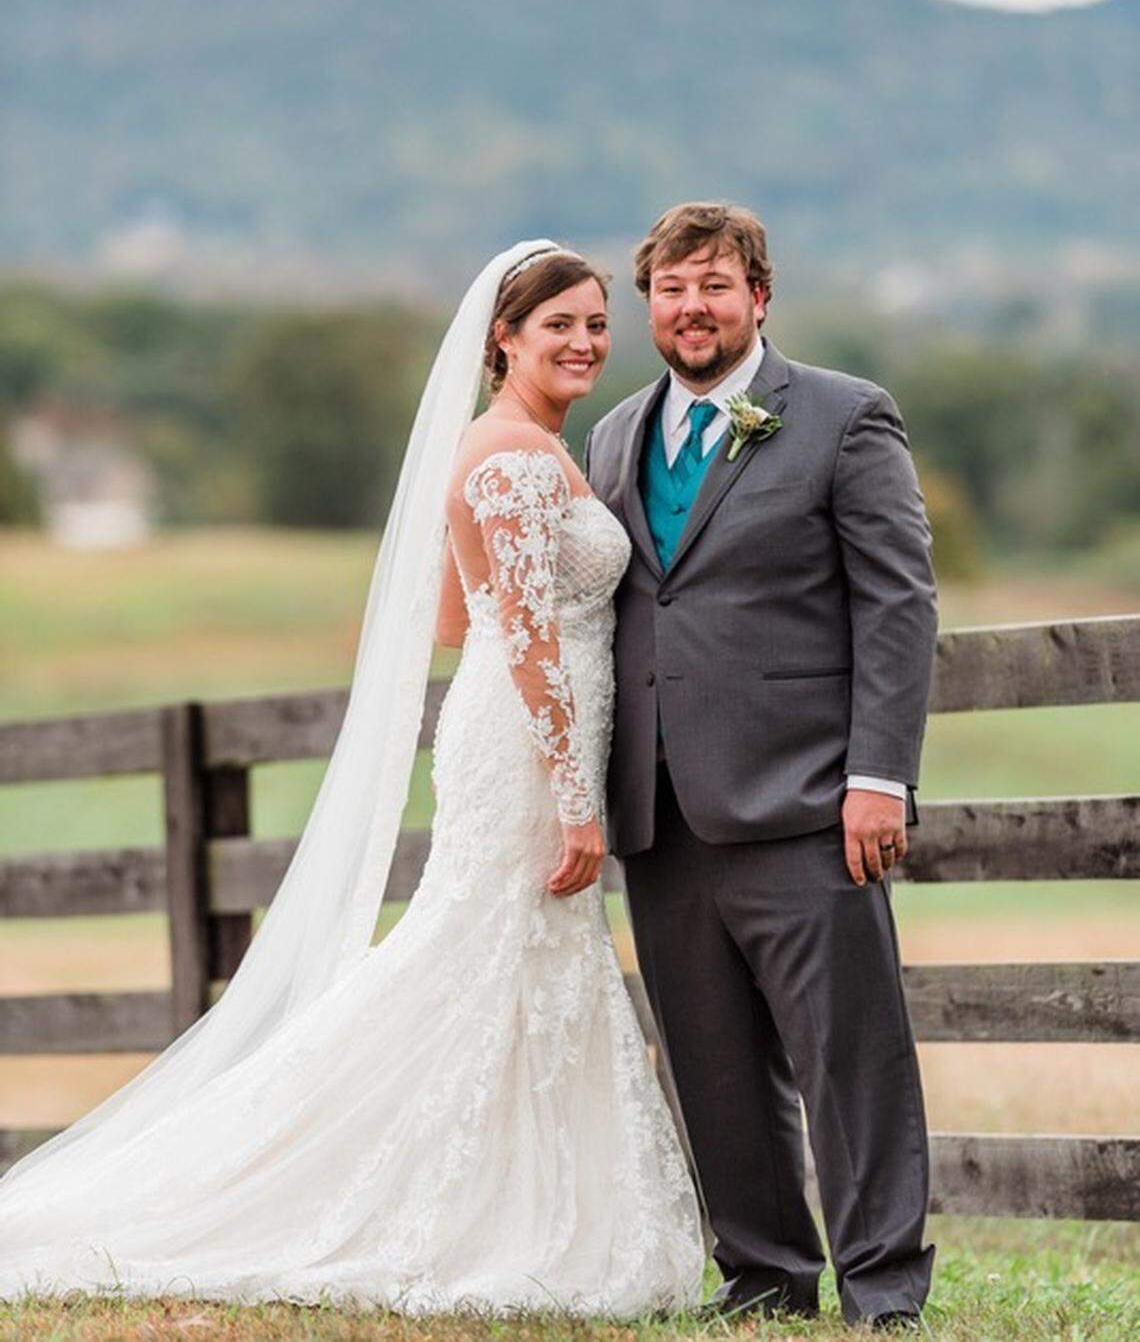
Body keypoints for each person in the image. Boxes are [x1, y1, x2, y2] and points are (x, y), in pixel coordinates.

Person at [0, 241, 705, 1317]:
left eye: (596, 323)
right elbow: (517, 639)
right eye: (557, 324)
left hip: (516, 731)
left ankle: (509, 1202)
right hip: (526, 745)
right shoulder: (513, 457)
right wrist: (574, 792)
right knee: (484, 958)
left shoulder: (512, 448)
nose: (584, 343)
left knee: (504, 964)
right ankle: (441, 1209)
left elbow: (456, 617)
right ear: (501, 340)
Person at [585, 202, 938, 1332]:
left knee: (852, 1061)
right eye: (673, 289)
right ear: (650, 305)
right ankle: (765, 1279)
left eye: (715, 285)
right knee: (714, 1066)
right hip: (662, 810)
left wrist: (879, 774)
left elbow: (898, 605)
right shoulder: (613, 437)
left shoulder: (842, 416)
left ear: (760, 296)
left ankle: (883, 1291)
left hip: (804, 801)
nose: (693, 308)